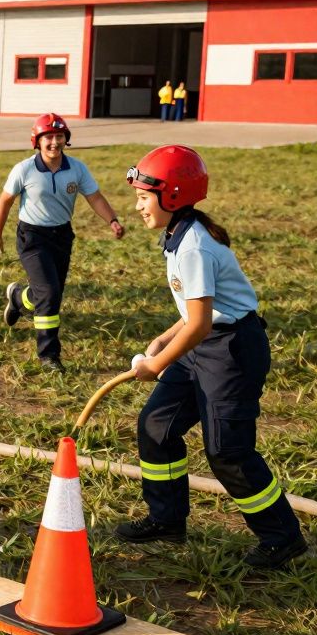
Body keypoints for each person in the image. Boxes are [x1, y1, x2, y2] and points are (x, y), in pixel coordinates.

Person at [118, 144, 307, 569]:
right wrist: (166, 339)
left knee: (227, 451)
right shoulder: (177, 234)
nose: (137, 207)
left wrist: (158, 363)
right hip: (201, 343)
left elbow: (202, 323)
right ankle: (166, 520)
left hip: (231, 351)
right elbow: (194, 311)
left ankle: (282, 538)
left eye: (143, 197)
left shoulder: (194, 246)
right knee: (156, 425)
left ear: (172, 196)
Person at [0, 113, 125, 372]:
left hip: (61, 236)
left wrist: (112, 220)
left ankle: (18, 297)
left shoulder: (76, 169)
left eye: (59, 136)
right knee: (49, 294)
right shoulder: (24, 169)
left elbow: (94, 197)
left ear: (66, 139)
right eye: (48, 137)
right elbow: (4, 201)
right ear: (37, 141)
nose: (54, 142)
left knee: (51, 294)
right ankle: (49, 355)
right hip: (32, 237)